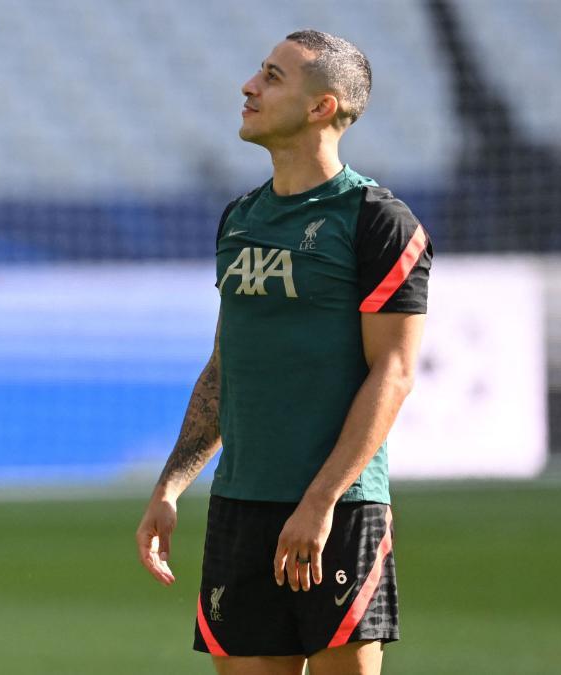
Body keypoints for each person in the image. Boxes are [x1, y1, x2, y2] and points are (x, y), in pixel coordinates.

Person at [135, 30, 432, 675]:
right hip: (240, 505)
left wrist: (321, 502)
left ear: (322, 107)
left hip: (340, 511)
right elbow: (225, 368)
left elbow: (395, 373)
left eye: (272, 76)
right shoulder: (239, 218)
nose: (249, 86)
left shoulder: (379, 221)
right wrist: (171, 487)